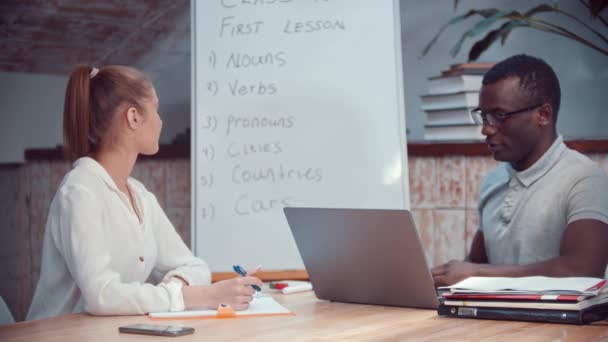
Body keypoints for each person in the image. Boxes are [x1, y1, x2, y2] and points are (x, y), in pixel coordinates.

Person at [27, 65, 263, 320]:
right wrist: (198, 296)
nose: (161, 121)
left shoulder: (139, 195)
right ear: (133, 117)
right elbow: (102, 296)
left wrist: (176, 290)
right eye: (156, 109)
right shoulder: (80, 192)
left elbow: (194, 266)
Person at [431, 54, 608, 286]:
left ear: (543, 115)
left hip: (557, 323)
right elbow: (476, 264)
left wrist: (479, 273)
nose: (486, 129)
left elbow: (582, 270)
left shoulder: (584, 180)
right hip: (497, 321)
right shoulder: (492, 183)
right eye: (484, 116)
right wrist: (438, 278)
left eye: (499, 115)